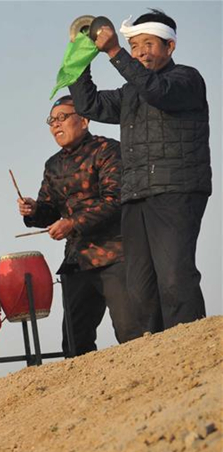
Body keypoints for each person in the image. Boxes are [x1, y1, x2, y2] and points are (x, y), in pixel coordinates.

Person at [69, 9, 211, 333]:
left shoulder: (186, 79)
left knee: (174, 277)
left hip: (176, 190)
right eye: (134, 46)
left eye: (148, 44)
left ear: (169, 47)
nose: (140, 52)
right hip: (135, 195)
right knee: (140, 289)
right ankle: (157, 354)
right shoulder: (130, 92)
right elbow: (88, 105)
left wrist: (114, 52)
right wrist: (81, 56)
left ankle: (190, 347)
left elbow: (157, 92)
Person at [17, 96, 140, 355]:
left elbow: (115, 199)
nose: (56, 125)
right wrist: (34, 210)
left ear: (84, 120)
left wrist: (72, 223)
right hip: (77, 259)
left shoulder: (107, 150)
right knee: (75, 343)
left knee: (131, 331)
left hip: (114, 254)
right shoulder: (53, 164)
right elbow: (49, 210)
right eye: (51, 120)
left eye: (62, 117)